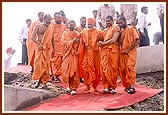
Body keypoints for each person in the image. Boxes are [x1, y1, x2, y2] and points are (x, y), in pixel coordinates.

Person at [117, 15, 140, 94]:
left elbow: (137, 41)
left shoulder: (131, 28)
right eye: (118, 23)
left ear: (125, 21)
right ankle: (127, 86)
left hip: (130, 52)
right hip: (122, 53)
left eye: (121, 23)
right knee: (123, 70)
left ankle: (132, 87)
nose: (120, 24)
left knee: (130, 67)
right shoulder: (122, 31)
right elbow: (119, 42)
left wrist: (128, 49)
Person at [31, 14, 55, 89]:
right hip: (40, 48)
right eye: (48, 19)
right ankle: (38, 80)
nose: (50, 21)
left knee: (46, 66)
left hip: (47, 49)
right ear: (44, 19)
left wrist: (54, 49)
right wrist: (39, 44)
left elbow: (52, 39)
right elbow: (32, 37)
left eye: (50, 20)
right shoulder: (38, 26)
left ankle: (44, 83)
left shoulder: (51, 27)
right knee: (38, 65)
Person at [97, 15, 120, 94]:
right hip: (105, 52)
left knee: (113, 69)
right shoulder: (105, 30)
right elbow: (102, 39)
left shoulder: (116, 28)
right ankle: (106, 86)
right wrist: (99, 40)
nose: (107, 22)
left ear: (112, 21)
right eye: (106, 21)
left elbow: (114, 40)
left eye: (108, 21)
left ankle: (113, 86)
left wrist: (103, 43)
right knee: (104, 69)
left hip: (113, 51)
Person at [80, 18, 102, 92]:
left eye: (91, 24)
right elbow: (79, 37)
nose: (89, 26)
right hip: (86, 52)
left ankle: (95, 86)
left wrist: (100, 38)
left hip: (95, 53)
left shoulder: (98, 31)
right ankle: (87, 85)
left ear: (94, 24)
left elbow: (102, 39)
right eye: (88, 24)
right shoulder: (84, 31)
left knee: (95, 69)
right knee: (85, 67)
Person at [61, 20, 80, 95]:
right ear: (68, 25)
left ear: (74, 25)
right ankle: (68, 86)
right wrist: (72, 41)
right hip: (67, 54)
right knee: (66, 70)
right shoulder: (65, 33)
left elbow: (80, 42)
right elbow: (63, 42)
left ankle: (74, 88)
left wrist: (77, 41)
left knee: (74, 70)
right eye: (70, 25)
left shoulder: (77, 34)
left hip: (74, 54)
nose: (71, 26)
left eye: (73, 25)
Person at [50, 12, 66, 82]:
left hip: (62, 47)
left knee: (61, 62)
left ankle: (57, 75)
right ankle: (55, 75)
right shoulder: (51, 25)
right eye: (58, 18)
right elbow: (49, 37)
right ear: (55, 18)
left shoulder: (63, 25)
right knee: (55, 62)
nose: (60, 19)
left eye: (60, 18)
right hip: (54, 46)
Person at [75, 16, 86, 83]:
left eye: (84, 21)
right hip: (77, 48)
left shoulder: (86, 29)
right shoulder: (77, 28)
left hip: (84, 49)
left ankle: (82, 77)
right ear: (80, 21)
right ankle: (78, 77)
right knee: (77, 63)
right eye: (82, 21)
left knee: (83, 64)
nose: (83, 23)